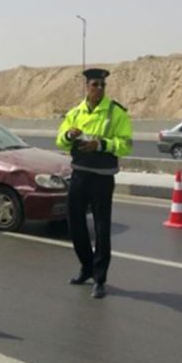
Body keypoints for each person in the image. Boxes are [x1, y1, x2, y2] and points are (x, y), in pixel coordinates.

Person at [56, 68, 133, 299]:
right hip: (79, 174)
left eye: (102, 85)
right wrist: (69, 136)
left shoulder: (116, 112)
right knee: (75, 223)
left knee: (101, 227)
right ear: (87, 86)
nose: (99, 88)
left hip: (102, 176)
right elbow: (60, 142)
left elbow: (126, 145)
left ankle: (99, 278)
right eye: (95, 84)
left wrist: (100, 145)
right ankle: (86, 267)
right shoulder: (75, 112)